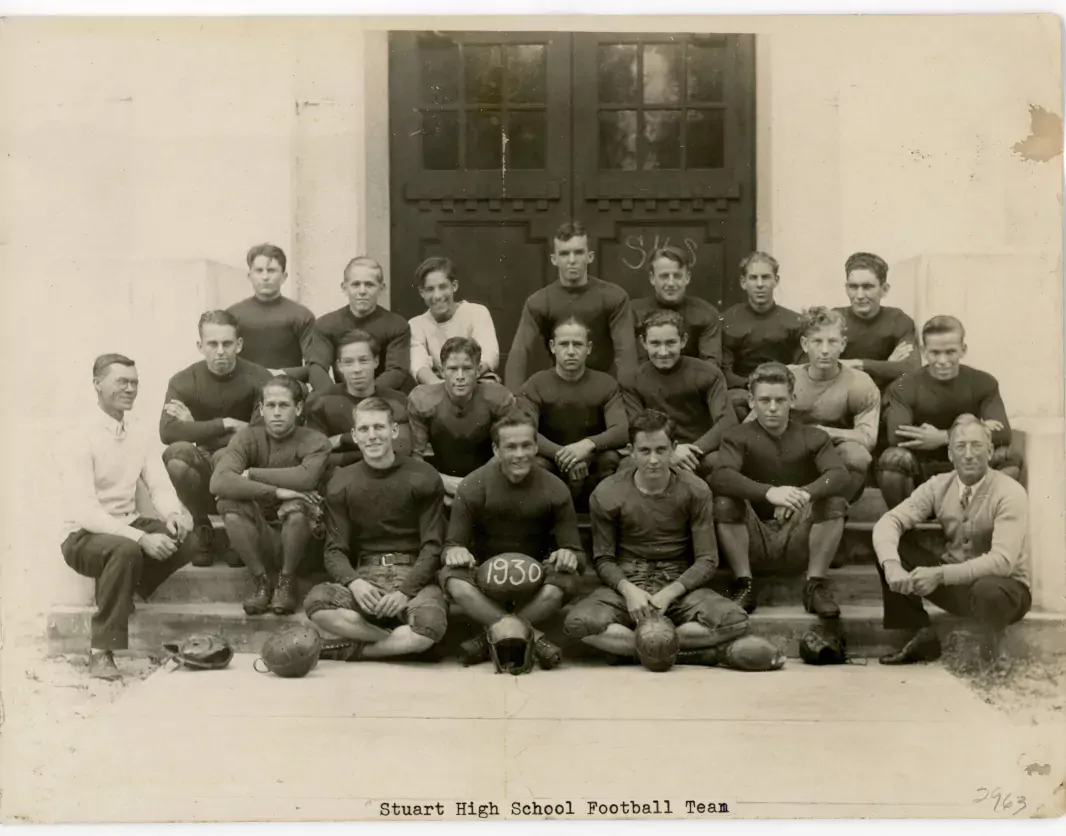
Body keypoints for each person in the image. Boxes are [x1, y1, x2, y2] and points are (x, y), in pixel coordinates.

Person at [564, 410, 750, 665]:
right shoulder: (607, 492)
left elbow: (707, 559)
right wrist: (629, 591)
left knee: (735, 620)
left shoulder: (695, 489)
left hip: (677, 581)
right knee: (578, 623)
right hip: (629, 580)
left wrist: (670, 593)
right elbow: (603, 558)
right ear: (631, 451)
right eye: (645, 451)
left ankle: (640, 647)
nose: (653, 460)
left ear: (674, 448)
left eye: (661, 450)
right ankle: (681, 651)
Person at [61, 354, 200, 680]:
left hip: (126, 523)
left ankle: (124, 593)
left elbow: (158, 483)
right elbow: (85, 511)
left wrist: (174, 515)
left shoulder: (138, 431)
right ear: (97, 384)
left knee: (190, 539)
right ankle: (101, 652)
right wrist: (141, 538)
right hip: (82, 535)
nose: (130, 389)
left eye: (134, 382)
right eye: (121, 381)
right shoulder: (79, 435)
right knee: (125, 550)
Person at [873, 414, 1031, 665]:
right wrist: (892, 565)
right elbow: (888, 522)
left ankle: (991, 650)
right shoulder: (939, 485)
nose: (968, 454)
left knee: (987, 589)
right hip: (958, 589)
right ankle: (920, 633)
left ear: (990, 451)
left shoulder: (1009, 491)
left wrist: (939, 575)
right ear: (950, 454)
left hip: (1006, 592)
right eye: (961, 446)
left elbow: (1002, 562)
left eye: (976, 445)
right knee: (891, 548)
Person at [303, 398, 449, 661]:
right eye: (365, 429)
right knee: (318, 603)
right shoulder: (342, 481)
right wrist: (355, 583)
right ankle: (391, 643)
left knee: (429, 626)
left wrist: (405, 591)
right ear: (355, 436)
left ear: (394, 431)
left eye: (379, 428)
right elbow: (334, 549)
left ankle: (353, 650)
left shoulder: (423, 475)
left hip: (413, 572)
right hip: (366, 575)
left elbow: (433, 545)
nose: (372, 436)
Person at [441, 409, 584, 669]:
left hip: (537, 575)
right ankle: (534, 637)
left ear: (537, 447)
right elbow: (452, 545)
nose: (520, 454)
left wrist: (568, 555)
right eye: (511, 447)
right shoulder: (473, 486)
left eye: (526, 445)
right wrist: (456, 552)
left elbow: (576, 552)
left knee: (564, 581)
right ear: (496, 450)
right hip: (485, 574)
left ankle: (490, 637)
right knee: (454, 580)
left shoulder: (554, 488)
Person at [710, 362, 852, 617]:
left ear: (793, 400)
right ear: (752, 401)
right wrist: (769, 493)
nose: (773, 408)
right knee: (723, 503)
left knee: (834, 503)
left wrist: (801, 495)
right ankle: (744, 583)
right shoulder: (737, 436)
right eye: (764, 400)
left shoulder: (813, 436)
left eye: (780, 399)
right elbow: (720, 476)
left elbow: (839, 475)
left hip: (796, 536)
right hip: (753, 538)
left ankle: (814, 585)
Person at [209, 376, 332, 615]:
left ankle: (286, 582)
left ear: (297, 409)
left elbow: (305, 478)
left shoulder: (315, 440)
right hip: (261, 536)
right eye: (270, 405)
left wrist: (252, 474)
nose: (276, 412)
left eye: (284, 405)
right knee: (228, 503)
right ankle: (261, 582)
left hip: (302, 544)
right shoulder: (247, 437)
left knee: (297, 504)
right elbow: (219, 480)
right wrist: (276, 491)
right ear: (261, 409)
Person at [159, 310, 273, 565]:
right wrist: (227, 424)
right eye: (212, 344)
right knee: (176, 456)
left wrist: (196, 427)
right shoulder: (183, 380)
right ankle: (202, 527)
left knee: (225, 455)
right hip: (203, 473)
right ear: (200, 346)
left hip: (244, 469)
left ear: (239, 344)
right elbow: (167, 432)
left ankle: (238, 529)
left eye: (227, 343)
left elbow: (263, 433)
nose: (220, 351)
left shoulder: (260, 378)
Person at [877, 315, 1021, 509]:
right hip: (923, 469)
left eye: (950, 352)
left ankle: (976, 516)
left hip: (970, 466)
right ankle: (912, 527)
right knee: (893, 458)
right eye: (935, 353)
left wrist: (944, 437)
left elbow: (1003, 434)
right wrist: (979, 429)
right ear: (924, 352)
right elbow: (897, 436)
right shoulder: (904, 386)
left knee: (1008, 457)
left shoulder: (983, 382)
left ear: (963, 350)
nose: (943, 360)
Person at [505, 221, 636, 389]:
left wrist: (628, 400)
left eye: (579, 252)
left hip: (603, 390)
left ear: (590, 256)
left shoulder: (613, 297)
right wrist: (515, 399)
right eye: (565, 253)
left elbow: (626, 354)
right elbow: (520, 352)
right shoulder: (540, 301)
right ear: (554, 259)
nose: (572, 260)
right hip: (559, 387)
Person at [517, 317, 628, 504]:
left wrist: (587, 445)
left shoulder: (605, 384)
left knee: (610, 459)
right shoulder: (535, 384)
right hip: (552, 463)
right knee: (534, 464)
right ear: (552, 346)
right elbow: (525, 431)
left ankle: (603, 515)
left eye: (577, 344)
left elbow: (621, 429)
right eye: (563, 344)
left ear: (589, 348)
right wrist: (566, 456)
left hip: (592, 463)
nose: (570, 351)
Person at [779, 306, 880, 502]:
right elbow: (752, 426)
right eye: (817, 342)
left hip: (834, 461)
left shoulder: (859, 383)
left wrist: (823, 432)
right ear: (805, 344)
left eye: (832, 342)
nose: (825, 350)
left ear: (843, 344)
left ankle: (836, 508)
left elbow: (867, 437)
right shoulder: (786, 377)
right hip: (789, 456)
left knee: (857, 455)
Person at [621, 309, 737, 479]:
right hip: (655, 450)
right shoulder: (633, 380)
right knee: (626, 466)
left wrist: (694, 449)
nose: (663, 351)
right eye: (655, 343)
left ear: (683, 341)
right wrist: (668, 452)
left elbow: (728, 421)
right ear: (643, 343)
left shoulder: (708, 374)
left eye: (670, 343)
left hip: (697, 452)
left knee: (720, 464)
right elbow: (637, 427)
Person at [408, 337, 515, 499]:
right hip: (441, 483)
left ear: (478, 370)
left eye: (467, 368)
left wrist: (471, 484)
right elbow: (416, 458)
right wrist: (443, 482)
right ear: (441, 370)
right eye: (452, 368)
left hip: (489, 482)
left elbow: (505, 452)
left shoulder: (498, 398)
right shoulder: (423, 400)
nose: (460, 376)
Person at [304, 330, 412, 471]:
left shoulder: (397, 400)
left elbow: (402, 450)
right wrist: (371, 452)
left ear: (376, 361)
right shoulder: (320, 401)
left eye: (363, 360)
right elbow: (315, 456)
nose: (357, 369)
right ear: (339, 366)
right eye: (348, 362)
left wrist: (342, 439)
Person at [307, 256, 412, 393]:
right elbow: (317, 367)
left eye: (369, 285)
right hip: (340, 397)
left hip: (381, 397)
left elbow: (396, 371)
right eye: (355, 284)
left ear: (382, 288)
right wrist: (333, 398)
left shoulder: (397, 325)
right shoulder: (326, 324)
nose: (362, 291)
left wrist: (365, 396)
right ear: (344, 288)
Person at [721, 252, 802, 420]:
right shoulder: (727, 320)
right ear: (743, 282)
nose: (759, 284)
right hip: (744, 390)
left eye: (765, 277)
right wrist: (753, 387)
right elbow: (724, 371)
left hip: (783, 389)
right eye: (753, 278)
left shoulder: (794, 322)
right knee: (734, 407)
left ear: (776, 281)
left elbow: (802, 368)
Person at [227, 243, 315, 381]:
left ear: (284, 276)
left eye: (271, 270)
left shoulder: (302, 316)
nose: (265, 277)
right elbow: (223, 360)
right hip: (244, 387)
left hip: (286, 389)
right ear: (250, 276)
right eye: (259, 270)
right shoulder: (233, 315)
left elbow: (315, 367)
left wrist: (280, 374)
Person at [408, 256, 500, 385]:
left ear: (454, 286)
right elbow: (418, 365)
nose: (437, 296)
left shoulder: (476, 312)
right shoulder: (416, 324)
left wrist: (463, 381)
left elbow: (489, 355)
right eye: (430, 289)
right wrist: (444, 388)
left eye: (443, 287)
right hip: (439, 384)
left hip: (475, 379)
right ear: (422, 292)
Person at [835, 252, 920, 391]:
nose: (860, 295)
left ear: (884, 289)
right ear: (846, 288)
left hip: (884, 397)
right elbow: (815, 367)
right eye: (853, 287)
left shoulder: (898, 320)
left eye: (868, 287)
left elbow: (911, 368)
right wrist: (888, 365)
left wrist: (857, 364)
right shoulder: (835, 319)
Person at [631, 245, 722, 368]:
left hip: (693, 382)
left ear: (687, 277)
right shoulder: (633, 312)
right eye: (664, 276)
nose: (671, 283)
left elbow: (711, 364)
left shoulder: (705, 313)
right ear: (652, 278)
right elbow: (631, 361)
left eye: (677, 276)